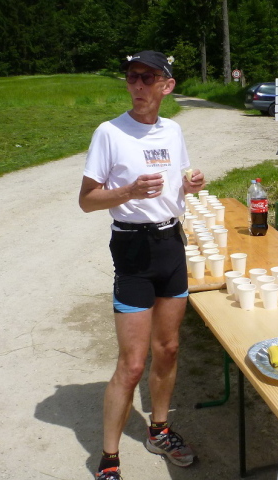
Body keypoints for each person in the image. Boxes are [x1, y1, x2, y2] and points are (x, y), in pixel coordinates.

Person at [79, 50, 205, 480]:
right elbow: (86, 200)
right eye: (132, 76)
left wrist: (190, 183)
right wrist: (128, 192)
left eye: (147, 78)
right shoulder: (110, 132)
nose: (137, 85)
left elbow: (179, 185)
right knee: (132, 364)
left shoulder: (173, 130)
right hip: (132, 248)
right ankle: (108, 457)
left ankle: (159, 430)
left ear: (167, 86)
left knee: (167, 349)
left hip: (171, 244)